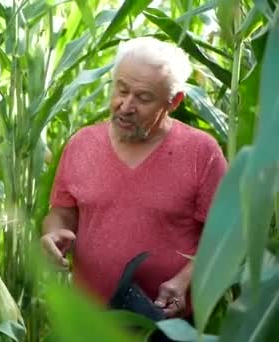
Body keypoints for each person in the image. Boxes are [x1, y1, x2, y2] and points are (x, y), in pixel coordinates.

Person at [40, 37, 228, 322]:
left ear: (174, 101)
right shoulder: (81, 145)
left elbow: (225, 235)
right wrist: (53, 234)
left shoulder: (202, 153)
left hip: (168, 324)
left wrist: (185, 280)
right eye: (121, 90)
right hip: (88, 323)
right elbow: (62, 213)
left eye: (143, 98)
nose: (125, 106)